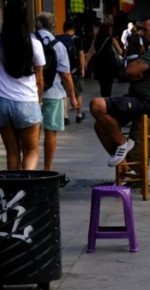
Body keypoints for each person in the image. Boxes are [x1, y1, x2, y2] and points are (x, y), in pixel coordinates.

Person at [90, 16, 150, 167]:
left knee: (96, 105)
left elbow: (129, 70)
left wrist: (134, 74)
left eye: (145, 30)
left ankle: (123, 143)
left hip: (146, 102)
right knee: (100, 126)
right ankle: (124, 167)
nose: (141, 33)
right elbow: (132, 73)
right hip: (138, 99)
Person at [0, 0, 45, 170]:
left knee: (12, 152)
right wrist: (39, 101)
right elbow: (40, 79)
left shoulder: (1, 43)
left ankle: (13, 193)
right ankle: (26, 191)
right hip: (27, 102)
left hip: (2, 103)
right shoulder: (34, 44)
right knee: (31, 151)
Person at [35, 12, 79, 173]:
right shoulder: (58, 45)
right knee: (50, 132)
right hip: (53, 93)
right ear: (53, 26)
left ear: (37, 24)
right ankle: (47, 168)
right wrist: (73, 98)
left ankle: (29, 166)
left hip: (31, 94)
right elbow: (66, 75)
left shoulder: (29, 41)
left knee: (32, 131)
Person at [56, 21, 86, 124]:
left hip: (62, 70)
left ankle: (65, 116)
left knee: (64, 93)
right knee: (77, 93)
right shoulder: (77, 39)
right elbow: (81, 54)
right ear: (73, 28)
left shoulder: (58, 39)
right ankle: (79, 114)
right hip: (75, 70)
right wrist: (82, 69)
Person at [85, 23, 124, 98]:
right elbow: (120, 51)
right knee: (108, 87)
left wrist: (86, 63)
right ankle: (107, 103)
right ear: (109, 30)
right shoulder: (111, 39)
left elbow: (91, 52)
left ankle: (104, 100)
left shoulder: (96, 39)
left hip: (99, 67)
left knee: (103, 87)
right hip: (110, 67)